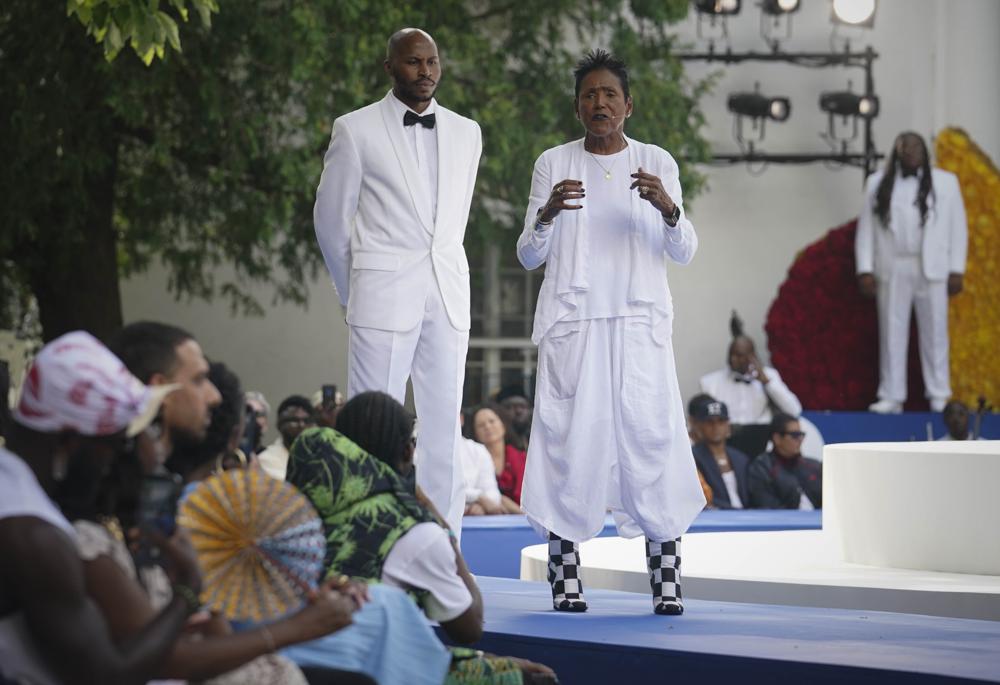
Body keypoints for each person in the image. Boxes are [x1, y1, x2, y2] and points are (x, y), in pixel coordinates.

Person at [515, 49, 705, 615]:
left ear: (628, 105)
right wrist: (546, 214)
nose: (600, 103)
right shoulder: (554, 161)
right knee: (568, 445)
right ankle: (565, 579)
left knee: (652, 442)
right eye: (589, 96)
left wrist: (668, 207)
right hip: (574, 327)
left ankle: (666, 581)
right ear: (578, 107)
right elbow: (528, 255)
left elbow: (686, 249)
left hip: (638, 324)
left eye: (609, 95)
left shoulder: (656, 160)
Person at [58, 360, 363, 685]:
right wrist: (300, 624)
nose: (160, 446)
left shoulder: (147, 521)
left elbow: (206, 624)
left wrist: (195, 596)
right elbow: (159, 660)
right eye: (153, 429)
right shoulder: (90, 541)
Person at [313, 28, 483, 536]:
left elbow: (453, 222)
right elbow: (329, 220)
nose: (425, 71)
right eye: (413, 62)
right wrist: (356, 289)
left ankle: (446, 545)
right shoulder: (354, 129)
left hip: (448, 295)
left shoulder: (467, 131)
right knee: (372, 425)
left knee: (444, 428)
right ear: (390, 67)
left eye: (432, 61)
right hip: (380, 294)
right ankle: (369, 538)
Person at [288, 391, 557, 684]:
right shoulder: (412, 529)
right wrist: (439, 526)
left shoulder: (294, 503)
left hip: (294, 660)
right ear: (407, 451)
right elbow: (469, 627)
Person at [0, 331, 201, 684]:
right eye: (109, 447)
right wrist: (188, 592)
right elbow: (108, 674)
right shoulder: (33, 536)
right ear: (68, 440)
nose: (110, 465)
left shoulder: (13, 490)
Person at [856, 131, 968, 414]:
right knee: (892, 331)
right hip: (893, 265)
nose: (911, 154)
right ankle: (892, 395)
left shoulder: (946, 183)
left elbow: (958, 228)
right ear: (897, 152)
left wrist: (957, 268)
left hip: (932, 267)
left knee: (936, 331)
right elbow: (866, 229)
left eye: (916, 148)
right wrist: (865, 268)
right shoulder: (877, 184)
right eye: (905, 149)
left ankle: (939, 393)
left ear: (925, 152)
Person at [699, 311, 802, 425]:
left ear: (752, 357)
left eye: (739, 355)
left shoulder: (769, 376)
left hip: (760, 436)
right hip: (728, 438)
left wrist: (767, 382)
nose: (733, 360)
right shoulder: (710, 383)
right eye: (731, 354)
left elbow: (794, 410)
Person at [747, 413, 822, 510]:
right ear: (777, 438)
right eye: (795, 435)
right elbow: (767, 506)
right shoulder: (762, 468)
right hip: (783, 523)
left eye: (801, 435)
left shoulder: (813, 466)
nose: (800, 440)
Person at [690, 399, 751, 510]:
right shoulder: (692, 458)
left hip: (748, 517)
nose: (716, 426)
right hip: (715, 519)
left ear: (728, 425)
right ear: (699, 426)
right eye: (710, 422)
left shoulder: (740, 458)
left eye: (721, 421)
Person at [470, 403, 526, 513]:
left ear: (503, 425)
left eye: (492, 421)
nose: (487, 427)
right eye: (481, 425)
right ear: (475, 433)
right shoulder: (472, 459)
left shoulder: (521, 458)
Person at [257, 394, 316, 480]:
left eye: (306, 421)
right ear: (280, 425)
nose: (301, 425)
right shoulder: (266, 460)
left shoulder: (320, 458)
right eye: (294, 420)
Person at [457, 412, 504, 516]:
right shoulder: (421, 449)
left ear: (461, 419)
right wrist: (478, 497)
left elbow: (493, 494)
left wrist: (480, 506)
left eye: (492, 421)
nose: (487, 427)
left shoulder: (477, 450)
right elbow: (441, 490)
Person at [496, 385, 533, 450]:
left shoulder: (536, 439)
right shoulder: (496, 442)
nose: (519, 411)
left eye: (523, 406)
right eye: (512, 407)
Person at [244, 390, 271, 454]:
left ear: (266, 423)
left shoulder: (271, 458)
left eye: (257, 414)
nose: (253, 419)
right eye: (248, 413)